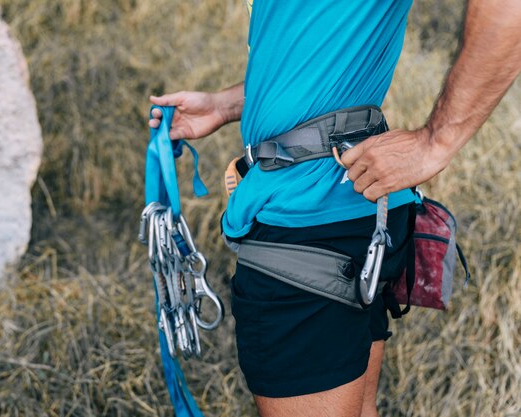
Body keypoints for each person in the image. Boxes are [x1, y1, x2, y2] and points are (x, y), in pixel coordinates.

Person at [148, 0, 521, 416]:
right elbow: (322, 45)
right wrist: (226, 105)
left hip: (305, 223)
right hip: (353, 209)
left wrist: (437, 141)